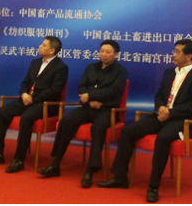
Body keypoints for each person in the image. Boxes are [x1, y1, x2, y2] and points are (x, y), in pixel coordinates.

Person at [97, 39, 192, 203]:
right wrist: (161, 108)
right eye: (174, 51)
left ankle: (153, 186)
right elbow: (159, 95)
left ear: (189, 56)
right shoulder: (169, 73)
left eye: (177, 52)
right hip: (162, 116)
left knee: (163, 138)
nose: (173, 54)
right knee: (128, 131)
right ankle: (120, 177)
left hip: (183, 121)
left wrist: (170, 112)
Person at [38, 39, 127, 188]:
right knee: (66, 122)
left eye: (108, 52)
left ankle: (90, 171)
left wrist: (90, 96)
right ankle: (55, 164)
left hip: (107, 110)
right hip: (88, 107)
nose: (104, 54)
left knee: (98, 128)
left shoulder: (121, 71)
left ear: (116, 54)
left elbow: (113, 91)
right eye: (102, 51)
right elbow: (82, 87)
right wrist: (90, 100)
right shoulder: (91, 67)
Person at [0, 36, 68, 173]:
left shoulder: (61, 67)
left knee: (26, 117)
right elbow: (25, 82)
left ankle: (18, 160)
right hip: (27, 99)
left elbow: (54, 91)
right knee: (1, 113)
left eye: (44, 45)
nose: (40, 46)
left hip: (46, 104)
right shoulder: (35, 62)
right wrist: (24, 94)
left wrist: (33, 98)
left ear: (52, 50)